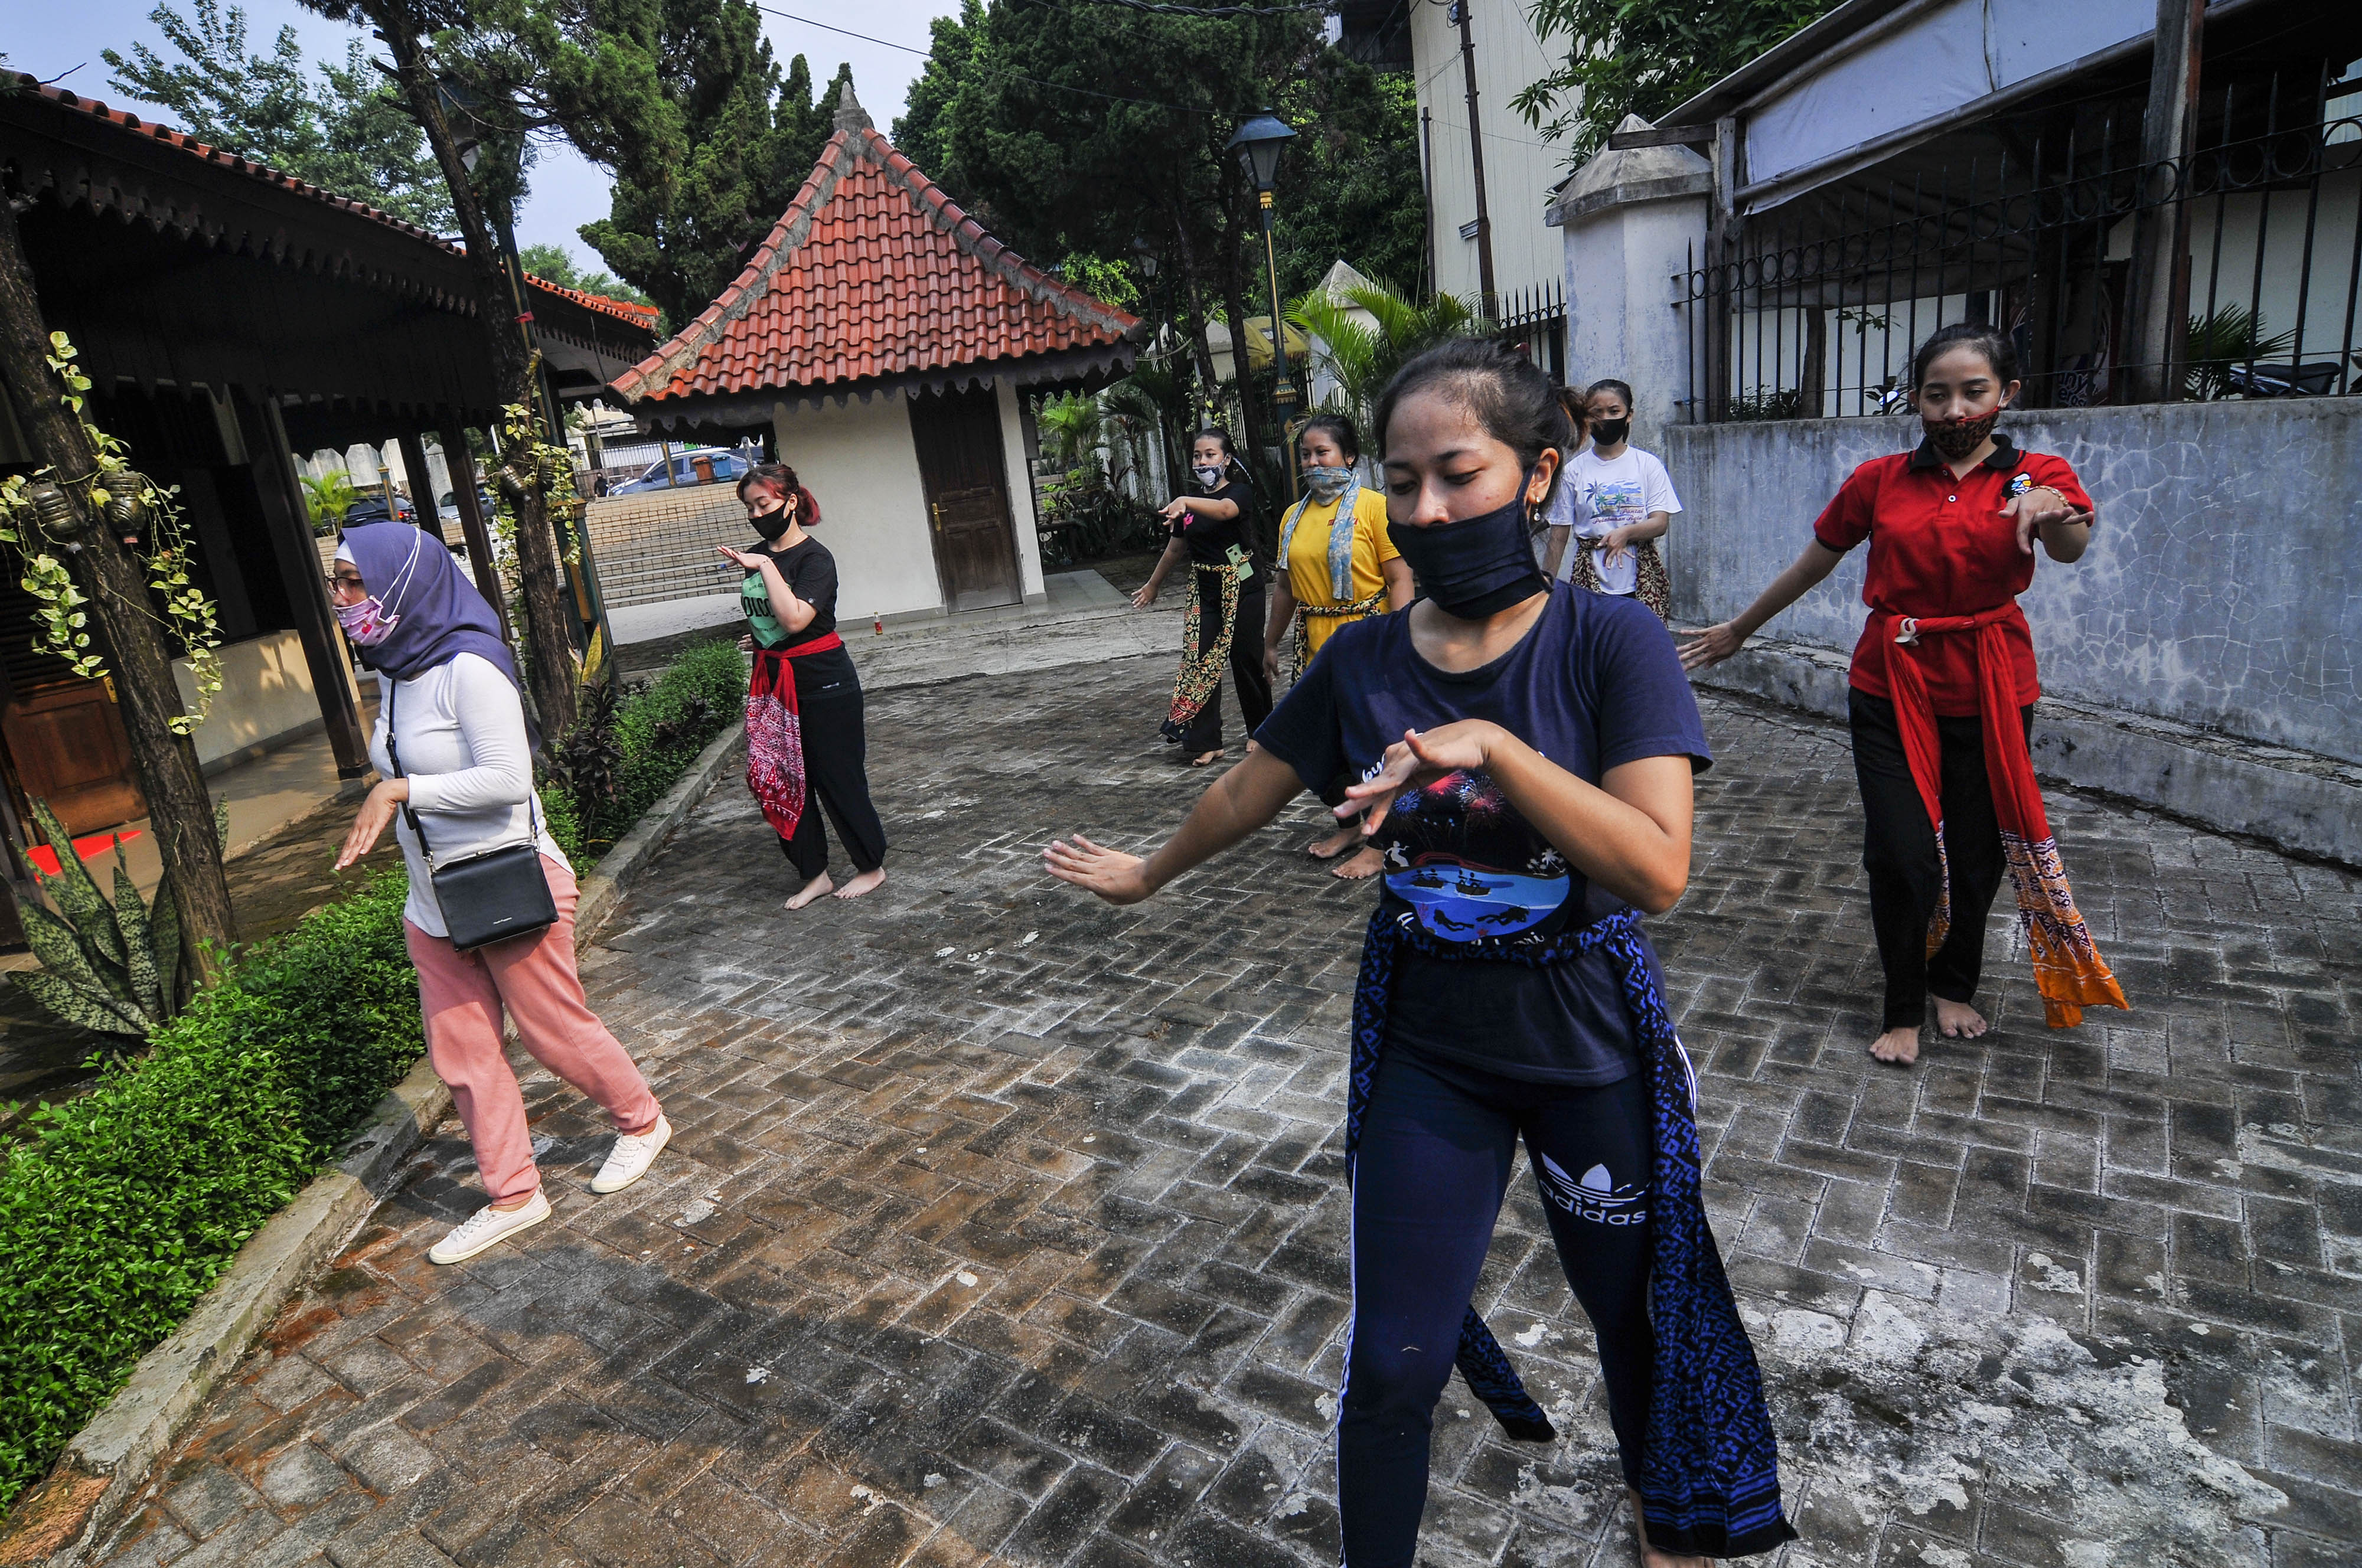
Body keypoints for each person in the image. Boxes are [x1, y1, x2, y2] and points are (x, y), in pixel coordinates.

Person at [1048, 339, 1795, 1567]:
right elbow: (1249, 787)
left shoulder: (1611, 647)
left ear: (1538, 471)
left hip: (1583, 1041)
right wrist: (1145, 870)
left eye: (1457, 473)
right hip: (1430, 1050)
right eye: (1402, 483)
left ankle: (1672, 1534)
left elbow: (1655, 869)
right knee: (1390, 1363)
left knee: (1631, 1320)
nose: (1428, 509)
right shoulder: (1362, 660)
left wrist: (1494, 752)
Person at [1682, 322, 2128, 1066]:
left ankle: (1953, 984)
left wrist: (2051, 509)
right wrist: (1739, 629)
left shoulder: (2037, 475)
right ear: (1915, 401)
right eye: (1937, 395)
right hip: (1889, 684)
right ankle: (1901, 1005)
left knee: (1978, 853)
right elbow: (1811, 565)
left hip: (1992, 688)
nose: (1956, 412)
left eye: (1974, 393)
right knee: (1902, 853)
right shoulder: (1879, 480)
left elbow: (2071, 543)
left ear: (2006, 394)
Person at [330, 522, 669, 1265]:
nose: (341, 597)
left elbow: (510, 780)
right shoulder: (394, 670)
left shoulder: (469, 669)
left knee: (552, 1033)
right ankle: (514, 1192)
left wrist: (398, 788)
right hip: (434, 901)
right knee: (463, 1054)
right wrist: (393, 793)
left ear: (401, 585)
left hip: (506, 881)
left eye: (354, 582)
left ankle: (642, 1122)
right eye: (337, 581)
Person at [717, 462, 889, 909]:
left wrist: (765, 566)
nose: (756, 514)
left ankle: (870, 866)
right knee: (784, 779)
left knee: (838, 777)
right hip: (775, 680)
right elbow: (773, 619)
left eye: (764, 504)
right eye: (749, 507)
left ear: (790, 502)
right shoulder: (759, 553)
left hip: (824, 682)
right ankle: (814, 874)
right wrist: (757, 637)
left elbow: (796, 618)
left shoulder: (815, 558)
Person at [1261, 414, 1413, 880]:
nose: (1312, 462)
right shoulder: (1294, 515)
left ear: (1349, 456)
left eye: (1322, 452)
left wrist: (1400, 639)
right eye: (1306, 455)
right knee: (1328, 745)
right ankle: (1350, 822)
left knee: (1376, 741)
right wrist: (1271, 642)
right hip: (1317, 645)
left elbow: (1399, 577)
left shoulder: (1374, 507)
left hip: (1369, 638)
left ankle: (1381, 842)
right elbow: (1286, 587)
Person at [1131, 427, 1273, 766]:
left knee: (1245, 659)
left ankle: (1262, 732)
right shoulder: (1188, 507)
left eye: (1210, 455)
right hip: (1205, 591)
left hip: (1242, 586)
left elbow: (1224, 511)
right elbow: (1176, 547)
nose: (1203, 461)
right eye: (1198, 455)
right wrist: (1153, 585)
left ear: (1226, 459)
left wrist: (1184, 501)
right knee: (1200, 662)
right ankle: (1207, 741)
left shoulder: (1239, 492)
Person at [1541, 380, 1681, 622]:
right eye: (1597, 412)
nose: (1606, 418)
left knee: (1639, 647)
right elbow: (1558, 535)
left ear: (1629, 416)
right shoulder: (1574, 471)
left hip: (1642, 576)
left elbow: (1660, 523)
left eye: (1614, 411)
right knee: (1594, 649)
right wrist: (1545, 587)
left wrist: (1626, 533)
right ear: (1587, 418)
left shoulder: (1648, 465)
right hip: (1590, 577)